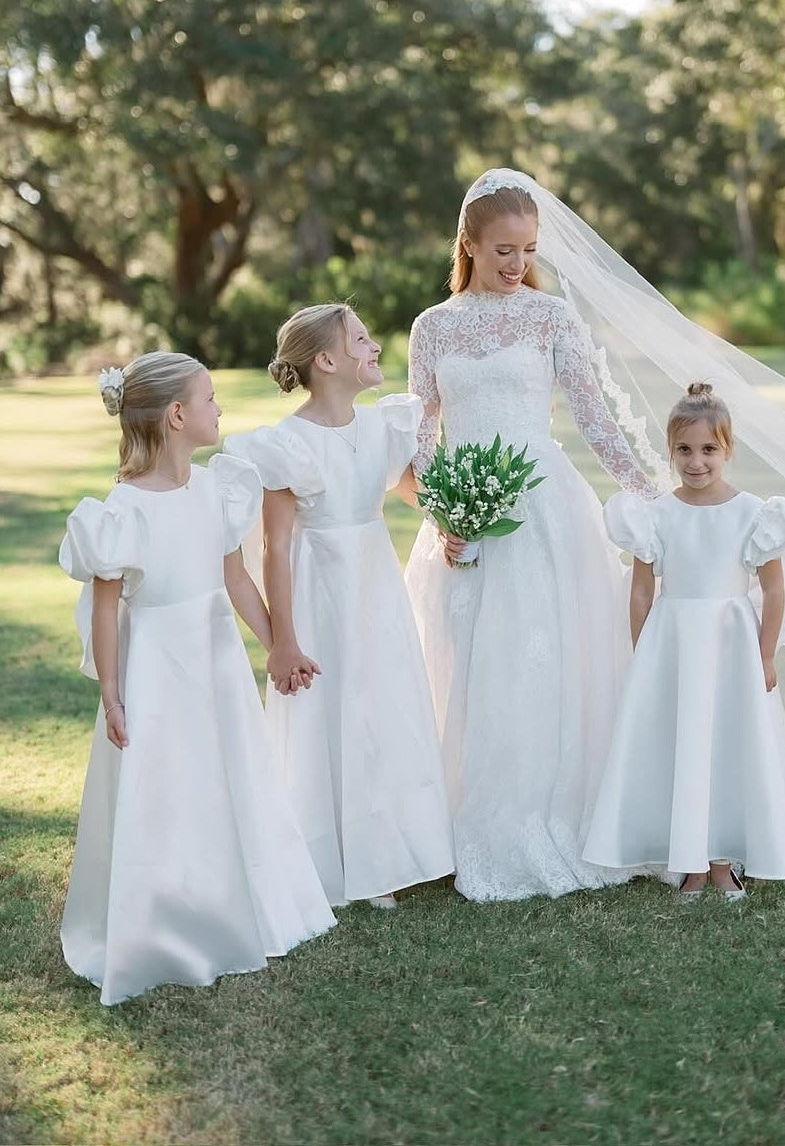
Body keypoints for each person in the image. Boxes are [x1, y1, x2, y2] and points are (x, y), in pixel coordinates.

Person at [405, 172, 661, 902]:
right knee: (466, 657)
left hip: (545, 509)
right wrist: (443, 514)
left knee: (543, 656)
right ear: (469, 246)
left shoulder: (550, 318)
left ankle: (552, 808)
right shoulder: (434, 327)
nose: (516, 263)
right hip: (465, 513)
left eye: (526, 250)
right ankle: (459, 818)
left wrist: (645, 491)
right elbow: (421, 433)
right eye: (502, 250)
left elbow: (592, 415)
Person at [59, 352, 335, 1006]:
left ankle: (241, 901)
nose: (219, 410)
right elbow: (106, 609)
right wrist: (111, 693)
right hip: (157, 666)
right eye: (209, 400)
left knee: (229, 772)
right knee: (167, 787)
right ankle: (164, 919)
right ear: (178, 416)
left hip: (214, 660)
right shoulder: (120, 510)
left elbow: (235, 578)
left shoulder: (216, 489)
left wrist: (277, 644)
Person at [225, 305, 454, 909]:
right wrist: (283, 639)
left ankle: (396, 848)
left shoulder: (382, 427)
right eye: (361, 339)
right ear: (327, 361)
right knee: (335, 706)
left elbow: (400, 483)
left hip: (375, 582)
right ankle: (342, 857)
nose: (374, 346)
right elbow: (275, 548)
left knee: (384, 699)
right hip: (321, 589)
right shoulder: (287, 445)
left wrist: (447, 517)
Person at [583, 383, 785, 899]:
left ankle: (719, 860)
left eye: (709, 449)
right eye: (684, 450)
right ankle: (688, 860)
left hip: (730, 644)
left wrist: (764, 653)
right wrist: (642, 651)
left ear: (728, 449)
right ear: (670, 452)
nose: (696, 462)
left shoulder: (755, 513)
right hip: (673, 643)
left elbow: (774, 589)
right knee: (683, 743)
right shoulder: (655, 514)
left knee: (725, 743)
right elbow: (642, 591)